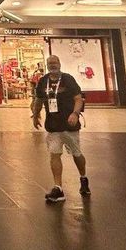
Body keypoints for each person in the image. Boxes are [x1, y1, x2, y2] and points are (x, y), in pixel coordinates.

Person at [31, 55, 90, 202]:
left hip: (69, 124)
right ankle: (58, 188)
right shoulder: (43, 81)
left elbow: (78, 99)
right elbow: (39, 100)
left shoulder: (68, 79)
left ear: (59, 63)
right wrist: (35, 115)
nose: (53, 65)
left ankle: (83, 178)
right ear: (47, 65)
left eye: (55, 62)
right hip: (53, 125)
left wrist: (75, 113)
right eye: (50, 63)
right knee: (54, 154)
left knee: (76, 154)